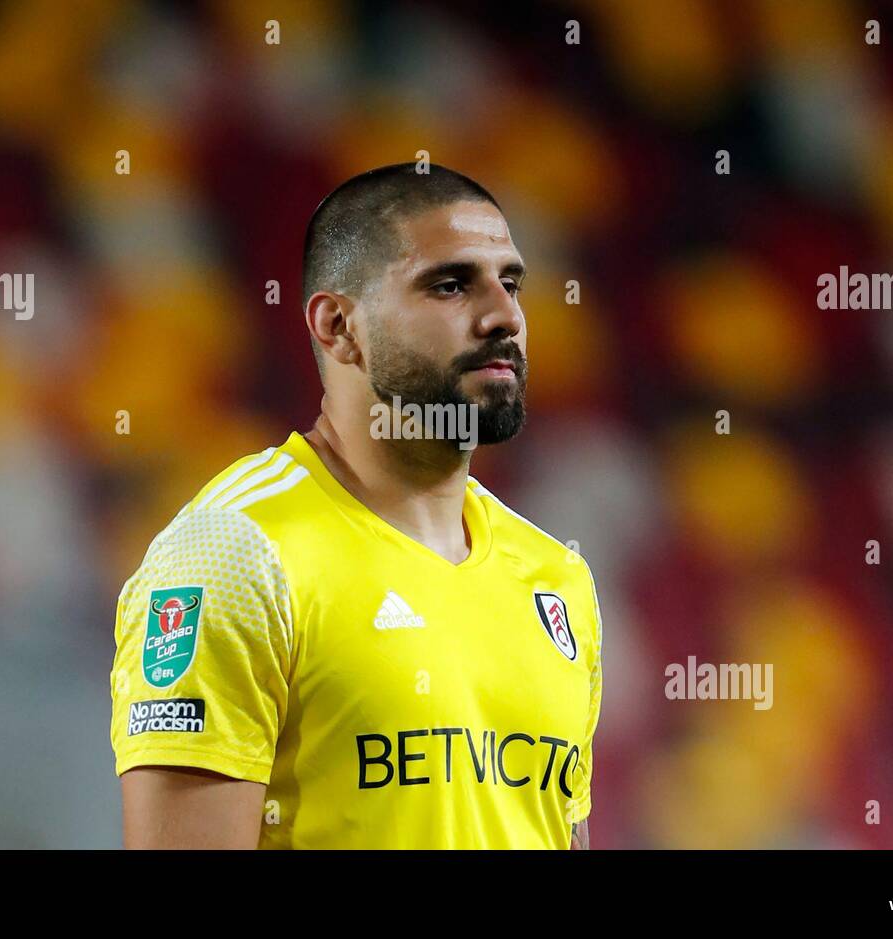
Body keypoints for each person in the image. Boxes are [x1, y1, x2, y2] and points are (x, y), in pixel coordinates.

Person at [111, 163, 603, 848]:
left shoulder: (558, 580)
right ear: (339, 325)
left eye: (511, 282)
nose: (506, 316)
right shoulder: (233, 556)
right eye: (452, 284)